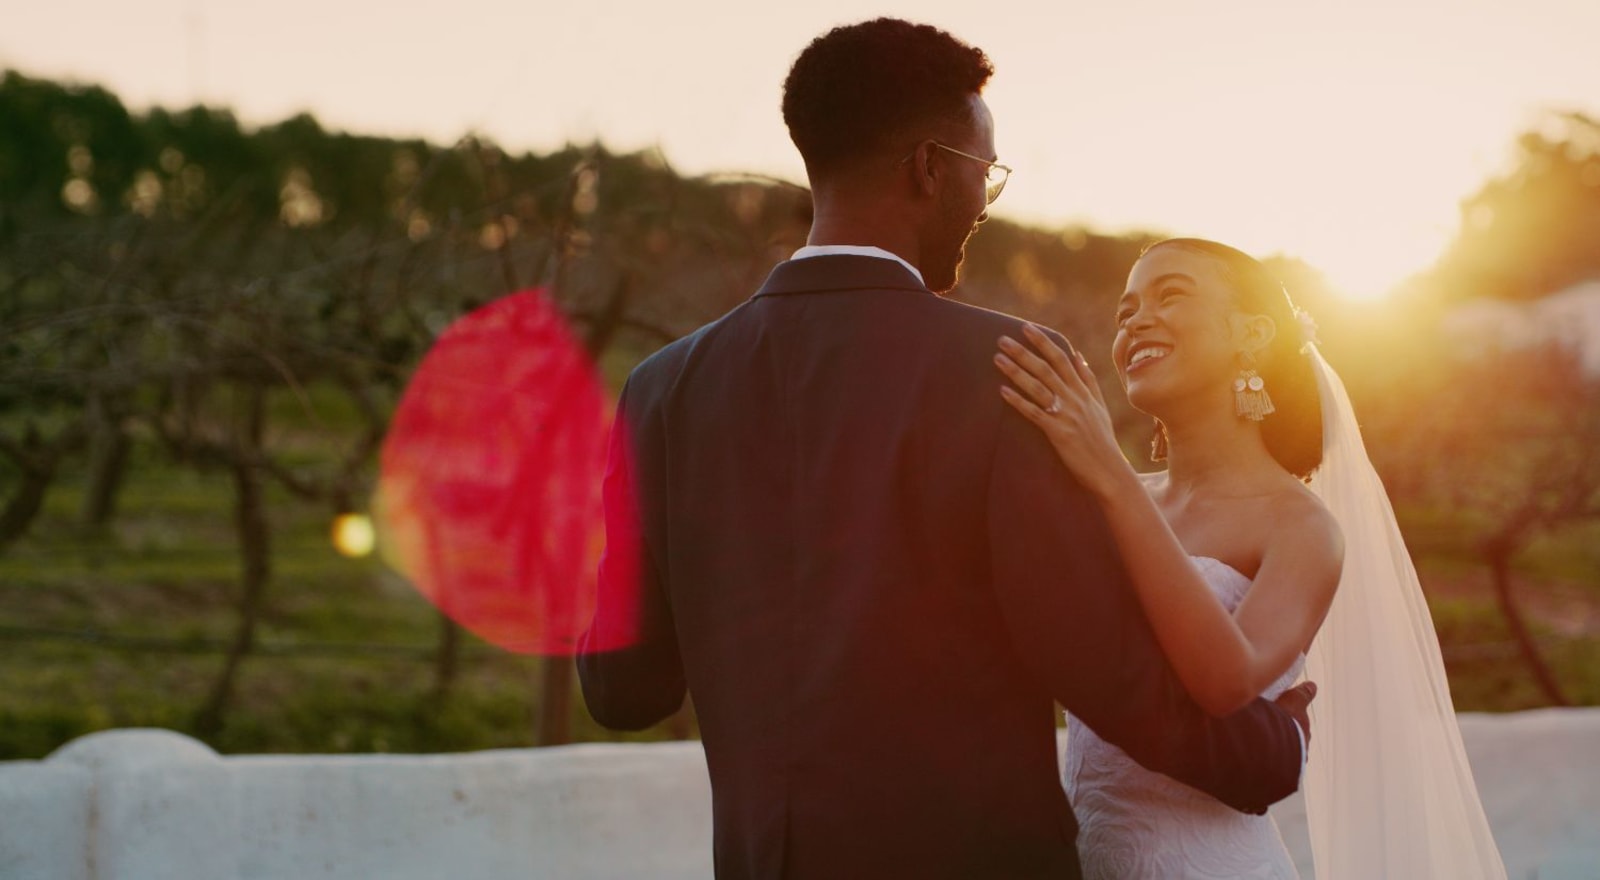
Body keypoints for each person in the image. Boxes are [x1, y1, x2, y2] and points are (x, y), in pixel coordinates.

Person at [578, 20, 1312, 880]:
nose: (984, 203)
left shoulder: (662, 389)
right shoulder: (1008, 369)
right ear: (929, 168)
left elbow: (623, 692)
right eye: (983, 173)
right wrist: (1275, 747)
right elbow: (1108, 668)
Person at [996, 237, 1507, 878]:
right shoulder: (1108, 496)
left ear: (1253, 334)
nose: (1135, 321)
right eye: (1126, 311)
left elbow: (1225, 681)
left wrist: (1108, 471)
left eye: (1169, 295)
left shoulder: (1301, 526)